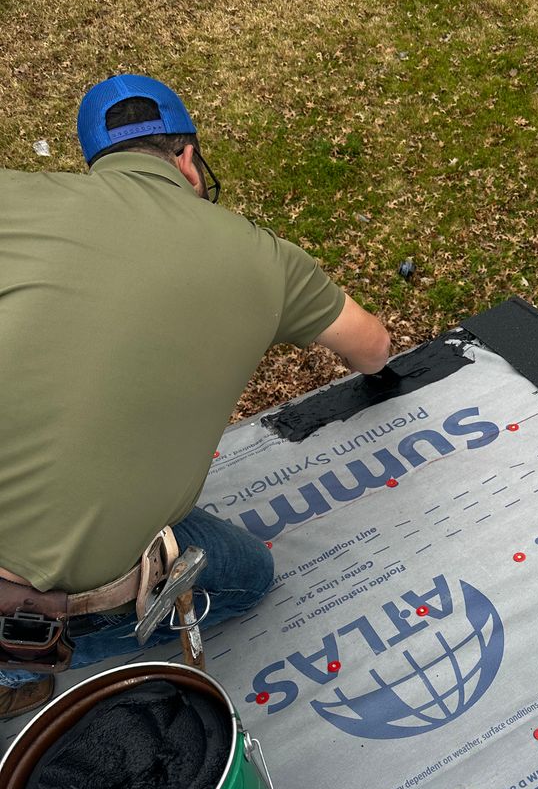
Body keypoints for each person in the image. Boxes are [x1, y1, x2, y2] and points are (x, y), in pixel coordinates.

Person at [0, 73, 391, 720]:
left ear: (100, 165)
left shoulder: (16, 199)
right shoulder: (265, 259)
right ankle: (22, 664)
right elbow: (372, 347)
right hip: (34, 598)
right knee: (246, 574)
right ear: (186, 158)